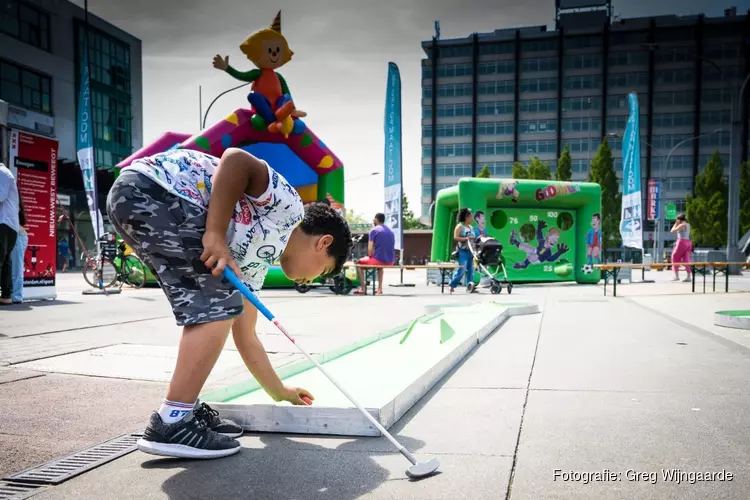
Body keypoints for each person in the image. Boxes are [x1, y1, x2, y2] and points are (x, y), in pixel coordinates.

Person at [106, 147, 351, 459]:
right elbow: (236, 159)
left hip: (142, 200)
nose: (310, 280)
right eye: (323, 271)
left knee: (220, 303)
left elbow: (246, 335)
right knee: (216, 304)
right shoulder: (288, 209)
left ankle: (185, 409)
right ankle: (173, 421)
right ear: (323, 243)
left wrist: (279, 391)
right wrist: (215, 233)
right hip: (157, 191)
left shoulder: (258, 262)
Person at [354, 213, 395, 295]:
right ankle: (379, 289)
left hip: (378, 261)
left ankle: (363, 288)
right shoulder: (391, 231)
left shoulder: (374, 230)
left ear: (376, 220)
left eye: (374, 219)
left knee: (358, 263)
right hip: (391, 261)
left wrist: (370, 257)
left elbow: (370, 249)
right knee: (380, 266)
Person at [0, 162, 19, 306]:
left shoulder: (2, 173)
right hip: (9, 224)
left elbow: (0, 196)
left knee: (3, 260)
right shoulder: (6, 173)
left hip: (5, 223)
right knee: (6, 261)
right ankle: (6, 295)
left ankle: (6, 294)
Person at [449, 208, 475, 293]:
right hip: (462, 251)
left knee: (471, 270)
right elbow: (455, 237)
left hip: (471, 251)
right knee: (462, 269)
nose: (472, 218)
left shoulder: (471, 227)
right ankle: (452, 284)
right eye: (471, 216)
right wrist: (466, 238)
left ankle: (470, 286)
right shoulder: (460, 226)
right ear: (466, 217)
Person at [11, 196, 28, 303]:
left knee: (16, 267)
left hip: (18, 234)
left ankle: (17, 296)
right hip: (15, 234)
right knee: (13, 267)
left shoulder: (12, 201)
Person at [670, 212, 692, 282]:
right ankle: (689, 276)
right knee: (686, 259)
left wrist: (676, 224)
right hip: (688, 242)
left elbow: (672, 230)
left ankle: (676, 276)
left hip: (681, 242)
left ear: (679, 219)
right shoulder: (688, 225)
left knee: (674, 257)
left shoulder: (681, 225)